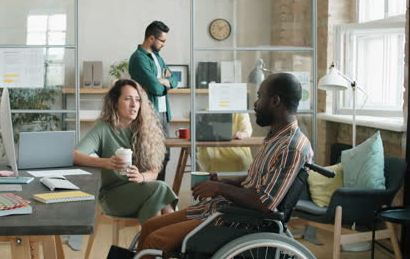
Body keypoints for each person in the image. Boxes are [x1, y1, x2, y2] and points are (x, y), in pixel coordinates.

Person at [136, 73, 314, 257]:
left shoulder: (291, 147)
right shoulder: (276, 137)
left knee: (155, 241)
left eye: (260, 96)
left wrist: (219, 188)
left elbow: (264, 203)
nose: (255, 103)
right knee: (149, 226)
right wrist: (222, 182)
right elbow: (256, 180)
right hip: (220, 209)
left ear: (275, 101)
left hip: (238, 221)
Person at [74, 79, 178, 223]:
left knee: (158, 197)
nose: (134, 105)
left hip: (143, 190)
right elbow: (75, 155)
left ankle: (156, 241)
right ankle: (168, 242)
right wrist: (106, 163)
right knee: (161, 190)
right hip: (113, 197)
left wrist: (141, 177)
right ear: (115, 103)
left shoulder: (146, 130)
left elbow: (153, 173)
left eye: (137, 100)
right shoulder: (103, 128)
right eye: (128, 99)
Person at [128, 20, 178, 181]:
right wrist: (163, 81)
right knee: (150, 159)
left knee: (165, 156)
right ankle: (152, 198)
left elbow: (175, 80)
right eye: (162, 41)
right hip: (149, 115)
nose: (164, 44)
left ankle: (161, 197)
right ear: (151, 38)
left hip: (163, 114)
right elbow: (155, 89)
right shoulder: (138, 58)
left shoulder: (158, 58)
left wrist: (161, 80)